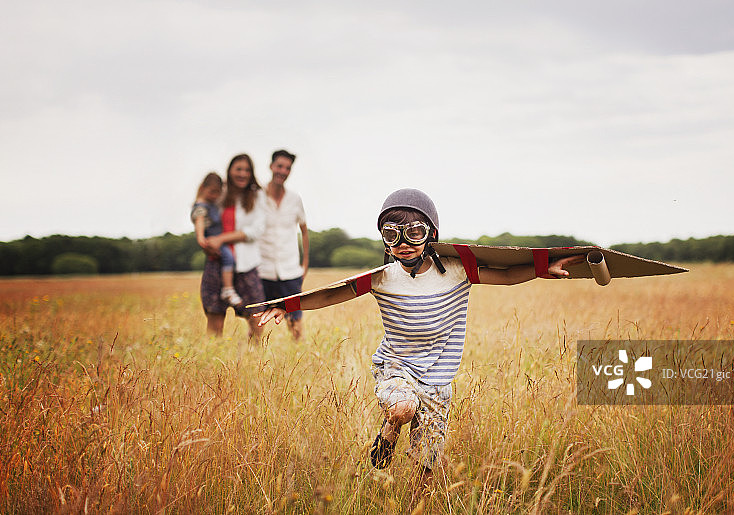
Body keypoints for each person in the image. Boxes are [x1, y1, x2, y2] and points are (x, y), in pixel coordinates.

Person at [253, 188, 582, 498]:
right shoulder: (383, 278)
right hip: (396, 367)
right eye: (392, 235)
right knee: (403, 408)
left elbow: (506, 276)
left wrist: (543, 268)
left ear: (431, 234)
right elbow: (331, 294)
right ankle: (390, 429)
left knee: (426, 465)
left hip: (438, 378)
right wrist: (286, 305)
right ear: (385, 241)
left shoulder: (458, 270)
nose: (403, 244)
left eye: (414, 233)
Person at [200, 154, 268, 338]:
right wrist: (204, 241)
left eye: (247, 170)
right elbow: (203, 215)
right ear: (230, 171)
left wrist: (222, 238)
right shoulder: (219, 194)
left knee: (256, 316)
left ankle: (253, 355)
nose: (242, 174)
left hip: (247, 264)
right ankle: (213, 355)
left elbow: (256, 230)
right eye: (238, 169)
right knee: (214, 314)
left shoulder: (258, 196)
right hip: (218, 262)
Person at [257, 149, 310, 340]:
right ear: (271, 166)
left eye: (288, 168)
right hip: (261, 270)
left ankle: (299, 354)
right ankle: (252, 356)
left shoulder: (295, 199)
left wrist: (305, 265)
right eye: (280, 166)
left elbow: (304, 230)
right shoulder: (256, 196)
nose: (283, 171)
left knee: (295, 322)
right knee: (257, 322)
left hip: (290, 271)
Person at [191, 172, 243, 306]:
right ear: (203, 188)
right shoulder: (201, 206)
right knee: (228, 258)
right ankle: (228, 289)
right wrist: (200, 237)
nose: (215, 196)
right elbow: (199, 221)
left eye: (217, 193)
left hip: (218, 239)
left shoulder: (211, 203)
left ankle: (228, 288)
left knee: (228, 258)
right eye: (212, 192)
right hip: (212, 240)